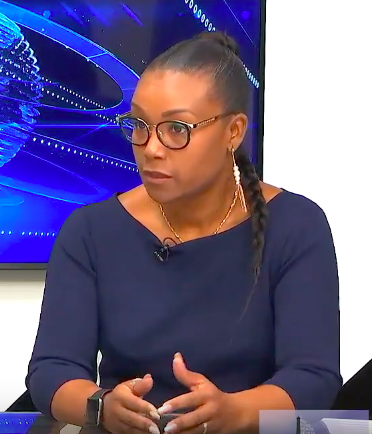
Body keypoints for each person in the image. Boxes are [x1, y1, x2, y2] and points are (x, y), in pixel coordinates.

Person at [25, 31, 341, 434]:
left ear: (233, 131)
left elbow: (313, 377)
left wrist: (233, 413)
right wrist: (102, 406)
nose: (151, 148)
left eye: (176, 128)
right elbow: (52, 371)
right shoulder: (89, 231)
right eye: (139, 125)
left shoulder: (297, 225)